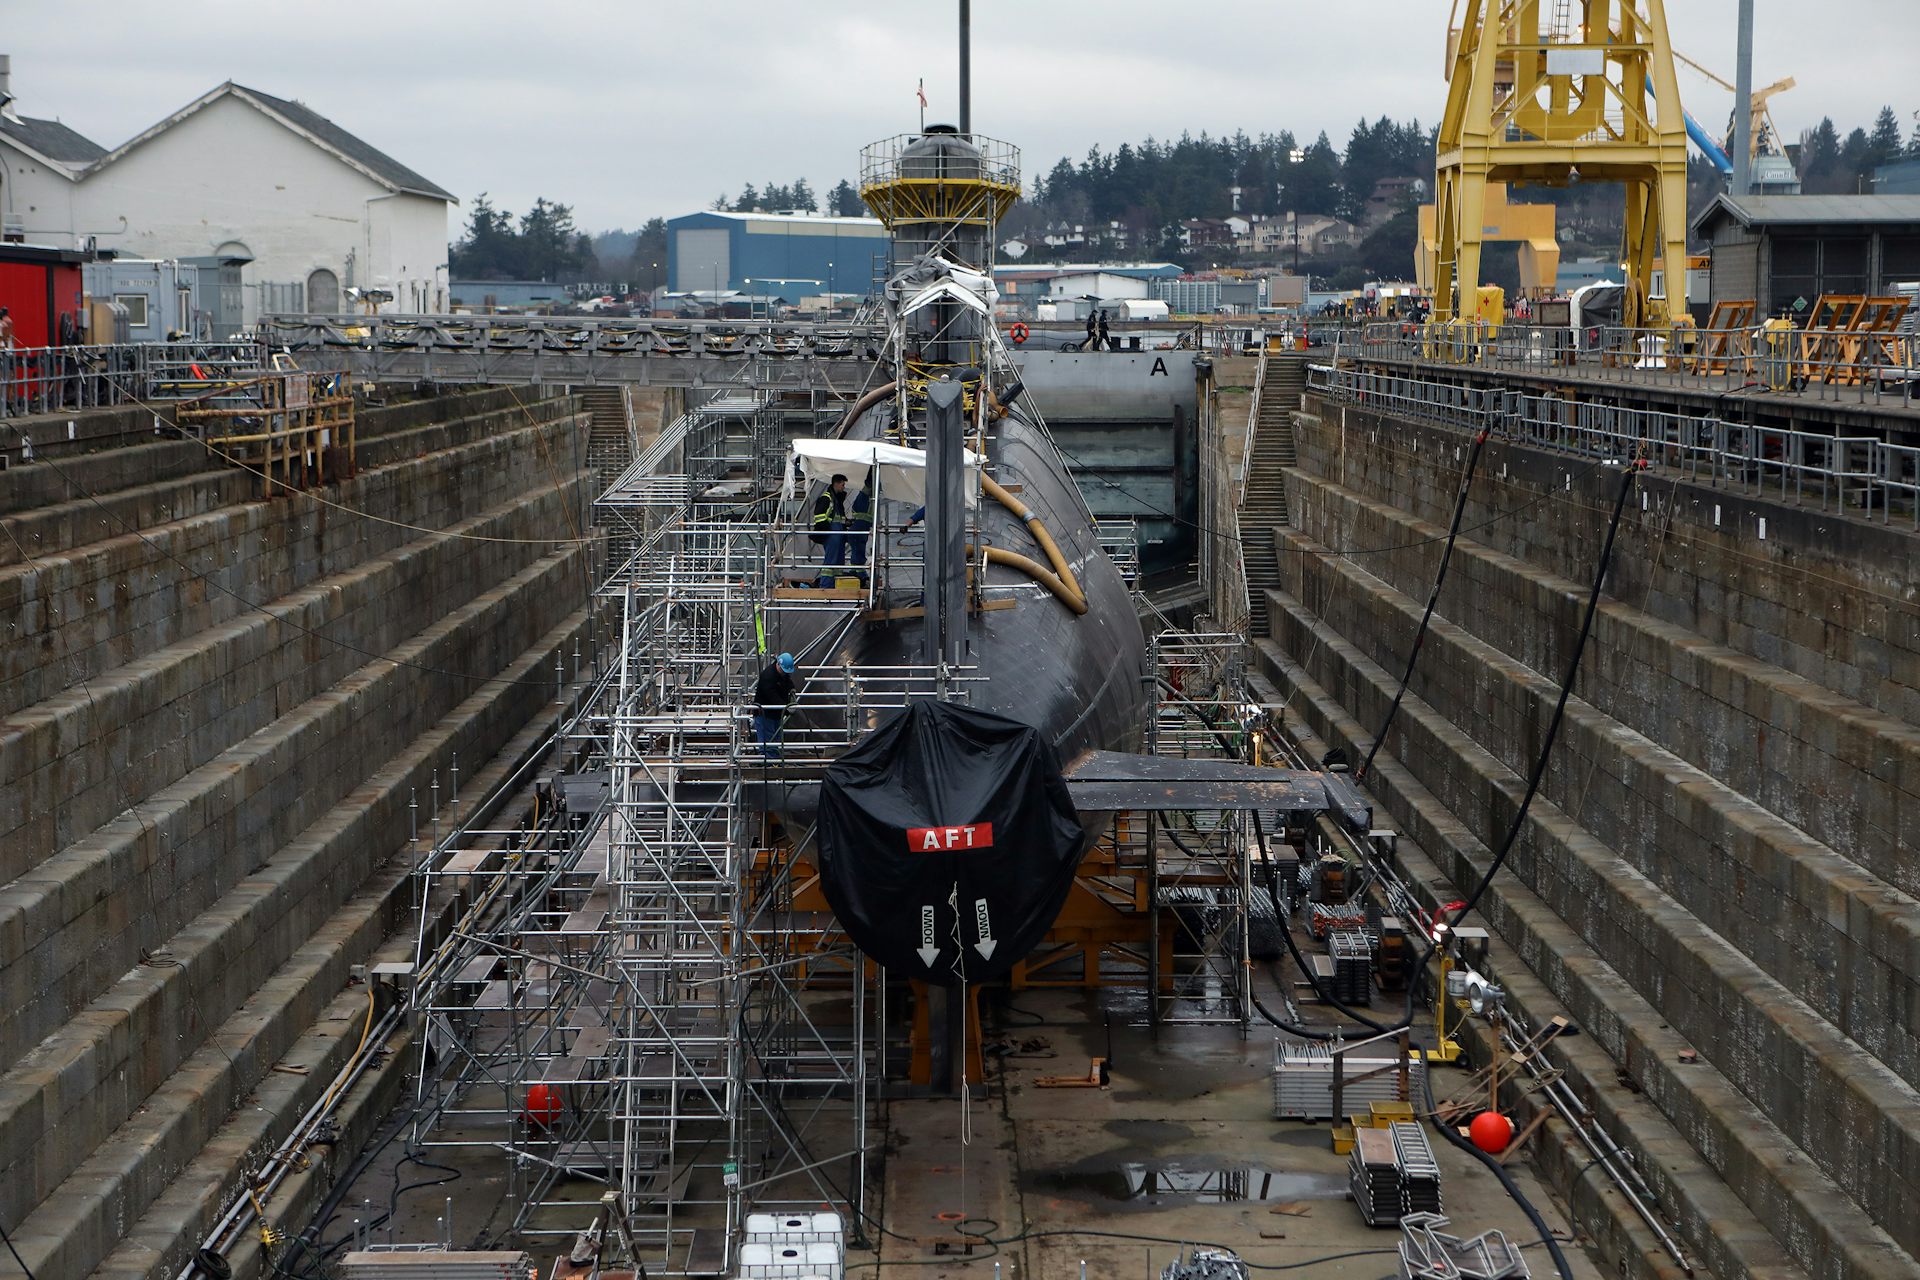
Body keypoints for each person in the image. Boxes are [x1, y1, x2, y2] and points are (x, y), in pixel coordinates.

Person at [751, 653, 798, 758]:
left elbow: (787, 680)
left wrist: (791, 688)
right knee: (768, 741)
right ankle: (769, 763)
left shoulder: (781, 673)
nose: (785, 673)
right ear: (778, 665)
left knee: (775, 739)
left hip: (776, 714)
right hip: (765, 714)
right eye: (784, 671)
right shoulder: (768, 677)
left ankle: (774, 760)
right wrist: (787, 708)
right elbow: (772, 697)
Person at [810, 473, 850, 584]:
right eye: (842, 485)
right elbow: (819, 517)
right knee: (831, 562)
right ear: (836, 484)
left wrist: (847, 522)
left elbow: (839, 518)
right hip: (832, 535)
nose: (844, 487)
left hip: (838, 535)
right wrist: (825, 532)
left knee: (838, 562)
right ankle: (826, 586)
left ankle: (836, 585)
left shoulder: (837, 500)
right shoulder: (827, 499)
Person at [846, 471, 874, 579]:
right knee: (858, 555)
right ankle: (859, 575)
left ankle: (856, 574)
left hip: (860, 529)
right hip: (860, 529)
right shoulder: (865, 497)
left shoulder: (864, 498)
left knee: (857, 554)